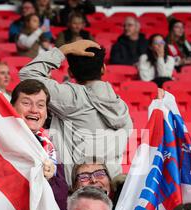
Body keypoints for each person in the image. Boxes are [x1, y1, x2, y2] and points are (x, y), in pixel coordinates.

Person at [19, 40, 133, 185]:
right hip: (112, 190)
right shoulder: (121, 107)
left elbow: (27, 75)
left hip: (79, 193)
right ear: (103, 69)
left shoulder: (74, 97)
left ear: (70, 72)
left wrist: (63, 50)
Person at [10, 79, 68, 210]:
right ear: (11, 107)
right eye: (26, 103)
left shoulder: (50, 148)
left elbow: (61, 201)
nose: (34, 110)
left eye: (40, 105)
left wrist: (51, 179)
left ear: (46, 112)